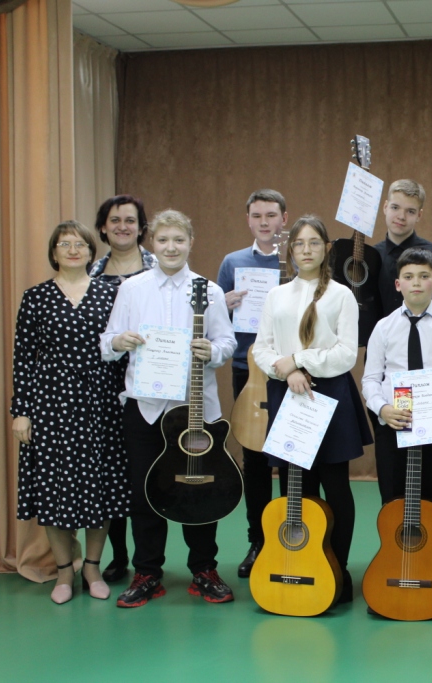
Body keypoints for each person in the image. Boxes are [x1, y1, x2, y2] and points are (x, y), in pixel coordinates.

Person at [101, 209, 238, 608]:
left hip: (193, 409)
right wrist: (119, 342)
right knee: (145, 493)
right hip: (144, 408)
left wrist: (211, 350)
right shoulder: (132, 289)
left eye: (179, 240)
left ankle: (204, 569)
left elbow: (227, 343)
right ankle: (147, 572)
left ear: (191, 243)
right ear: (151, 244)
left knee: (200, 489)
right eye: (163, 240)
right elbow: (107, 341)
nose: (171, 247)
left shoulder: (209, 291)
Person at [252, 215, 373, 604]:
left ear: (326, 249)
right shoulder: (276, 295)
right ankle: (302, 564)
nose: (306, 250)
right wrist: (286, 371)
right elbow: (261, 348)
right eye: (300, 244)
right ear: (291, 250)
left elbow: (345, 353)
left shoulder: (342, 295)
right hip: (288, 392)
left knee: (335, 486)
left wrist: (300, 360)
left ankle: (337, 570)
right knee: (295, 487)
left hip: (329, 393)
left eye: (314, 243)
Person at [11, 220, 128, 604]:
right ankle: (64, 571)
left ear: (92, 251)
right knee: (53, 488)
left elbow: (123, 349)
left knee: (100, 486)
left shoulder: (112, 292)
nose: (73, 250)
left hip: (101, 403)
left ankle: (92, 567)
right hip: (51, 405)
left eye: (80, 244)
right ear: (54, 253)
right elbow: (23, 359)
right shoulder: (36, 297)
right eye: (65, 244)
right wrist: (21, 411)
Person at [362, 248, 432, 614]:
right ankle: (391, 575)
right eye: (408, 277)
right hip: (394, 428)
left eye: (424, 276)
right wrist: (383, 409)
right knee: (394, 506)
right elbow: (370, 378)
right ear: (398, 285)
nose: (416, 283)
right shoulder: (384, 327)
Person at [217, 189, 289, 579]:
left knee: (293, 456)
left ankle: (293, 539)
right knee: (255, 460)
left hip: (290, 370)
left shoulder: (294, 261)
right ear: (248, 219)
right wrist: (223, 304)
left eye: (271, 215)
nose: (264, 222)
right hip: (249, 370)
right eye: (257, 215)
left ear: (284, 219)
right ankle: (258, 542)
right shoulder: (233, 262)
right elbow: (217, 324)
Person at [89, 194, 156, 584]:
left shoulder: (159, 267)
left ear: (141, 227)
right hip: (102, 380)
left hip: (148, 381)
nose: (122, 227)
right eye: (114, 220)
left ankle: (151, 558)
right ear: (103, 227)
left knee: (143, 469)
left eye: (130, 220)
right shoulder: (90, 272)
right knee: (111, 466)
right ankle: (117, 555)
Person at [373, 179, 432, 316]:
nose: (401, 216)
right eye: (395, 207)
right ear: (385, 207)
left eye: (410, 211)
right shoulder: (372, 256)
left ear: (419, 215)